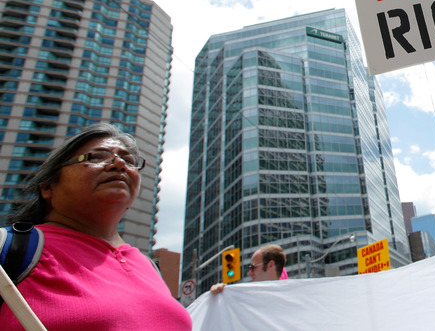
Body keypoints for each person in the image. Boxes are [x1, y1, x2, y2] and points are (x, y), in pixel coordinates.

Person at [0, 123, 192, 330]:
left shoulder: (151, 268)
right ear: (48, 187)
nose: (119, 164)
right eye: (96, 157)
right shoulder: (11, 249)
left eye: (128, 161)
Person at [210, 243, 287, 293]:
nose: (249, 273)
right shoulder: (245, 297)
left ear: (270, 265)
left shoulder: (291, 297)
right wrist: (220, 294)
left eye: (253, 267)